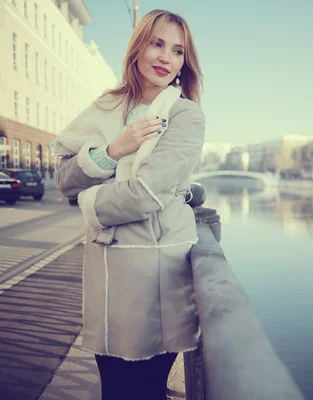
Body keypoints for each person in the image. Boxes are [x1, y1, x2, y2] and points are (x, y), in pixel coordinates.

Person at [53, 9, 205, 400]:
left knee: (143, 392)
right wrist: (112, 150)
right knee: (114, 391)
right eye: (157, 43)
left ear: (184, 63)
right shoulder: (105, 107)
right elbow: (63, 180)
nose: (165, 58)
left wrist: (88, 204)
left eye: (177, 51)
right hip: (105, 280)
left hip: (154, 278)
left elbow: (147, 194)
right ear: (138, 47)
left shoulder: (185, 115)